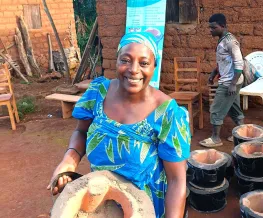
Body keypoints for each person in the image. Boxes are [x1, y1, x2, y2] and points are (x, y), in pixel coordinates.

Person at [47, 32, 191, 218]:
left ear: (154, 66)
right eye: (126, 60)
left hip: (147, 208)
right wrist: (69, 161)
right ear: (116, 61)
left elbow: (176, 180)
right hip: (102, 202)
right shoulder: (98, 93)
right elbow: (81, 132)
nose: (134, 69)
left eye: (144, 63)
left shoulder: (167, 114)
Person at [200, 13, 245, 147]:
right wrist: (213, 73)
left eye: (213, 27)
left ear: (223, 26)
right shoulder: (222, 40)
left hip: (229, 82)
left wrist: (231, 84)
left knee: (215, 109)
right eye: (210, 27)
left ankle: (215, 139)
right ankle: (242, 133)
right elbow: (223, 62)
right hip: (230, 80)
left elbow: (239, 63)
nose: (211, 30)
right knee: (233, 107)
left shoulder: (231, 42)